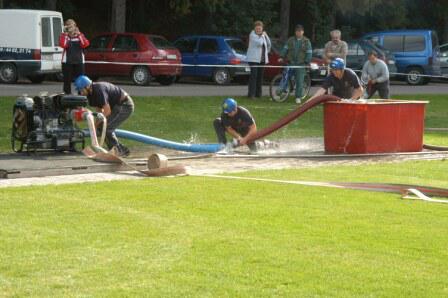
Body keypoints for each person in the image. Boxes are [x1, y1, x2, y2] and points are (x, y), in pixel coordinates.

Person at [74, 75, 134, 157]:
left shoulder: (99, 90)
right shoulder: (90, 95)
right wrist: (95, 126)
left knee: (107, 127)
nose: (80, 93)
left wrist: (96, 125)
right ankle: (116, 150)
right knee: (102, 127)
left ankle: (119, 150)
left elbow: (107, 111)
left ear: (87, 86)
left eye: (81, 90)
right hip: (116, 106)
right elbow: (99, 111)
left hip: (125, 105)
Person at [279, 24, 313, 104]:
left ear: (303, 32)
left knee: (299, 80)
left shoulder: (306, 41)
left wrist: (306, 61)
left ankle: (298, 97)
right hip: (290, 62)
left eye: (300, 31)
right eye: (297, 31)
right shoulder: (290, 40)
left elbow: (309, 52)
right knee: (285, 77)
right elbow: (285, 48)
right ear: (295, 32)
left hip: (301, 64)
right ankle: (280, 93)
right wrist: (281, 56)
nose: (298, 33)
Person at [59, 19, 90, 94]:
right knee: (67, 80)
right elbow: (63, 45)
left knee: (80, 79)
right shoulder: (64, 36)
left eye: (71, 25)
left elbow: (85, 44)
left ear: (75, 26)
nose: (70, 27)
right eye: (68, 25)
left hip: (79, 61)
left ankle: (81, 95)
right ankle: (67, 95)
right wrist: (66, 34)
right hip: (67, 61)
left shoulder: (80, 35)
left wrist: (78, 34)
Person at [246, 20, 271, 99]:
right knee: (254, 76)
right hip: (253, 59)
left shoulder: (263, 35)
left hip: (262, 59)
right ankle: (251, 94)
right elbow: (260, 43)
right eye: (257, 29)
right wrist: (263, 36)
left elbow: (269, 44)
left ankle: (258, 94)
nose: (258, 30)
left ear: (262, 28)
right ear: (254, 28)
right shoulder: (252, 35)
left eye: (260, 29)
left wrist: (266, 36)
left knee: (260, 76)